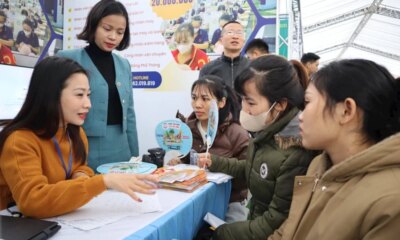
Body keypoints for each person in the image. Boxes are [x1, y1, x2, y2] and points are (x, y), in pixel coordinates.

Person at [0, 56, 159, 218]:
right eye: (79, 95)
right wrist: (103, 181)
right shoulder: (19, 141)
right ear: (51, 95)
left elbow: (80, 167)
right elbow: (32, 201)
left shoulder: (75, 132)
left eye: (88, 95)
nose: (88, 104)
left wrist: (80, 175)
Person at [269, 59, 400, 240]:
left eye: (308, 102)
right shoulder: (319, 165)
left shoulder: (390, 202)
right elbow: (289, 231)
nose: (301, 116)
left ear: (346, 111)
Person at [197, 55, 316, 240]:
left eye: (250, 102)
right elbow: (254, 169)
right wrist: (215, 162)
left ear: (280, 105)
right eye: (242, 100)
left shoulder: (295, 151)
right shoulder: (266, 131)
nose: (244, 109)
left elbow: (275, 220)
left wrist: (223, 232)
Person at [58, 0, 139, 171]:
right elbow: (52, 107)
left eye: (120, 32)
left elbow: (129, 112)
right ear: (93, 25)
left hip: (121, 149)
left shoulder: (124, 65)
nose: (113, 37)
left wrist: (134, 155)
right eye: (107, 29)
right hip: (82, 147)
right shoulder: (67, 59)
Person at [173, 75, 250, 223]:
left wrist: (215, 162)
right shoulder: (187, 130)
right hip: (193, 200)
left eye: (205, 99)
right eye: (194, 98)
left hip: (230, 202)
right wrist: (178, 163)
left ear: (221, 102)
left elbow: (247, 173)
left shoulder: (237, 133)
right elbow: (185, 159)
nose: (197, 104)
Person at [199, 20, 249, 88]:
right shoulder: (208, 69)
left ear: (244, 40)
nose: (235, 36)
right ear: (221, 40)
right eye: (230, 32)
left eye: (239, 33)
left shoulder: (253, 68)